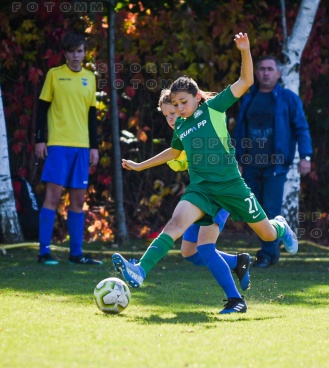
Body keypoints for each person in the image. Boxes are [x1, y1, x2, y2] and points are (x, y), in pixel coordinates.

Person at [112, 33, 298, 315]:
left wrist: (245, 51)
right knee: (176, 226)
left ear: (197, 97)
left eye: (183, 103)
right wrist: (140, 165)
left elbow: (246, 81)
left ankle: (281, 225)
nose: (179, 109)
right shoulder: (181, 128)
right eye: (175, 106)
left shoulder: (213, 107)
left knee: (268, 235)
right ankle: (140, 270)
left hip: (231, 186)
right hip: (201, 190)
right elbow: (173, 154)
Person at [158, 89, 252, 290]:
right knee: (188, 251)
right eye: (166, 116)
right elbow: (179, 160)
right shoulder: (184, 133)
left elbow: (182, 158)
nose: (170, 119)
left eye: (172, 113)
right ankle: (237, 262)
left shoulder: (200, 124)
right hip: (201, 196)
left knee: (205, 247)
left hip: (220, 193)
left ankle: (234, 300)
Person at [233, 55, 313, 268]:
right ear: (256, 73)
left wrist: (306, 156)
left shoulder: (288, 99)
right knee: (251, 209)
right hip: (250, 164)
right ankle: (271, 247)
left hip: (276, 164)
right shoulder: (249, 98)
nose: (265, 73)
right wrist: (238, 159)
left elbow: (301, 127)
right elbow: (240, 130)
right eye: (261, 69)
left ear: (278, 73)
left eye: (270, 69)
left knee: (270, 207)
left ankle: (268, 253)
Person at [34, 31, 102, 266]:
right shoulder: (54, 75)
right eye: (72, 51)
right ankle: (44, 253)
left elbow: (92, 116)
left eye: (80, 51)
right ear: (65, 53)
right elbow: (41, 110)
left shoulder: (90, 78)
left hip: (82, 148)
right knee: (52, 197)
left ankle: (76, 254)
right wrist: (40, 140)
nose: (76, 56)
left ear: (85, 53)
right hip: (58, 146)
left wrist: (94, 147)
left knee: (77, 201)